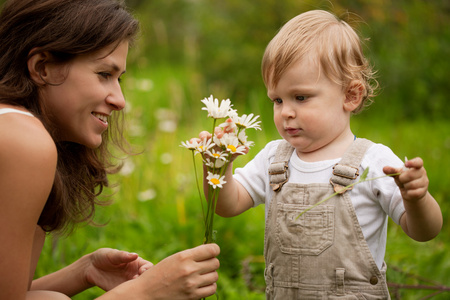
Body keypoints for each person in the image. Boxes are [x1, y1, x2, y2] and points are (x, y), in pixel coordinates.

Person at [201, 10, 442, 299]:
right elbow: (228, 205)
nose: (286, 112)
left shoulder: (373, 162)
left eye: (300, 97)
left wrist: (416, 199)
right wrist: (217, 167)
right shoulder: (274, 159)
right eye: (277, 100)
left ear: (350, 96)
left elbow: (424, 231)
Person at [0, 0, 220, 299]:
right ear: (43, 68)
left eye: (119, 79)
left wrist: (84, 271)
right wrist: (145, 292)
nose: (120, 100)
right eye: (104, 74)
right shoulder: (25, 142)